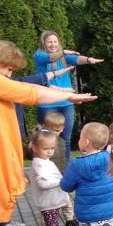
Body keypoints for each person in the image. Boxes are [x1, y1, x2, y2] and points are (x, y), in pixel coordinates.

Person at [0, 41, 96, 226]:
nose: (10, 74)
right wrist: (69, 96)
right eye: (9, 68)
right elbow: (30, 94)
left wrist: (62, 92)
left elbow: (24, 86)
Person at [34, 30, 103, 164]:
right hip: (46, 103)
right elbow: (52, 57)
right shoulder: (39, 55)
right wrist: (64, 52)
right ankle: (47, 166)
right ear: (44, 43)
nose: (53, 44)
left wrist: (89, 60)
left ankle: (65, 167)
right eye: (49, 42)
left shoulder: (63, 57)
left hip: (66, 103)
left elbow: (76, 59)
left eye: (55, 41)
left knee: (66, 138)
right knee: (47, 138)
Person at [28, 128, 71, 226]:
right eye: (46, 148)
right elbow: (42, 183)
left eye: (52, 148)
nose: (50, 152)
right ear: (35, 148)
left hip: (51, 201)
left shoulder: (45, 161)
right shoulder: (39, 164)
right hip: (48, 202)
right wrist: (60, 182)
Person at [41, 110, 80, 226]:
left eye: (58, 130)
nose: (55, 133)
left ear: (63, 128)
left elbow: (64, 159)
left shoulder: (62, 141)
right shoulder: (42, 142)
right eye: (52, 130)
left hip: (61, 178)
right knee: (48, 205)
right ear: (44, 127)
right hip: (48, 180)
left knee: (66, 200)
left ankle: (69, 219)